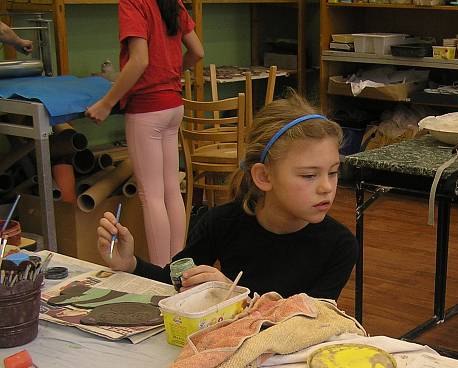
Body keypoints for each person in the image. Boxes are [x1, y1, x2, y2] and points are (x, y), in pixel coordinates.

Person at [96, 94, 358, 301]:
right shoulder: (221, 222)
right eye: (309, 175)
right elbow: (176, 280)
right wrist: (129, 263)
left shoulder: (339, 245)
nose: (327, 187)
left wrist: (234, 296)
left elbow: (308, 323)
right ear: (264, 177)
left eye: (333, 173)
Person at [85, 0, 204, 266]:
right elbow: (197, 51)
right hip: (174, 105)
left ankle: (162, 272)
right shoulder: (172, 2)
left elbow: (139, 60)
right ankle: (178, 267)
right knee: (171, 189)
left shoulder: (133, 2)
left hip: (147, 109)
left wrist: (107, 103)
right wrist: (170, 73)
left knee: (151, 195)